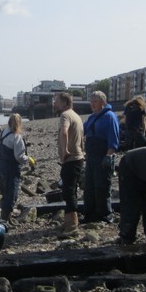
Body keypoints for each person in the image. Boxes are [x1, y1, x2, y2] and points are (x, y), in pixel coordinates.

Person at [82, 91, 120, 224]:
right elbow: (83, 130)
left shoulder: (110, 117)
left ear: (103, 102)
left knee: (102, 187)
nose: (92, 104)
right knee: (89, 187)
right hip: (91, 157)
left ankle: (105, 215)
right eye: (91, 102)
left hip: (103, 156)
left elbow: (114, 138)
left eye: (95, 101)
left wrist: (109, 155)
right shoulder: (92, 117)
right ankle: (90, 215)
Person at [53, 92, 85, 235]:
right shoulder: (76, 115)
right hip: (78, 158)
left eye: (57, 101)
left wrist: (65, 150)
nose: (55, 103)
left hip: (71, 159)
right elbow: (82, 137)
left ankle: (72, 226)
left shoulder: (65, 115)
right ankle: (69, 222)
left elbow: (64, 132)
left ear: (65, 103)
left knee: (69, 192)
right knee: (71, 190)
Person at [0, 113, 34, 223]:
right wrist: (29, 160)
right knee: (12, 195)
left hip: (1, 168)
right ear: (20, 123)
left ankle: (6, 218)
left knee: (5, 194)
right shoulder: (17, 137)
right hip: (11, 170)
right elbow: (19, 157)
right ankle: (4, 221)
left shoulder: (3, 133)